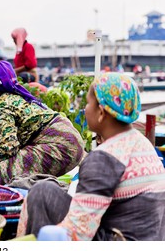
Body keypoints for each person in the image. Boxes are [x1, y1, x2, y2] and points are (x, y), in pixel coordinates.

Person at [17, 73, 165, 241]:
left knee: (41, 194)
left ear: (101, 112)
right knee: (46, 189)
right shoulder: (142, 144)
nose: (85, 109)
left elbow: (78, 233)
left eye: (88, 103)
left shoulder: (105, 158)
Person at [0, 60, 85, 185]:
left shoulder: (1, 105)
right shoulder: (14, 97)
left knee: (3, 172)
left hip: (60, 145)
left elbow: (9, 149)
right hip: (69, 141)